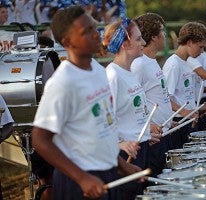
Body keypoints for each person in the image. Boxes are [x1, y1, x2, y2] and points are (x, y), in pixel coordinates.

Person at [32, 6, 141, 200]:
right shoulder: (62, 82)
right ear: (67, 42)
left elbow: (103, 134)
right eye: (86, 31)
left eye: (94, 27)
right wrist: (82, 178)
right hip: (78, 181)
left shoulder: (99, 71)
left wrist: (125, 167)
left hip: (107, 173)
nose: (96, 34)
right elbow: (40, 140)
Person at [103, 17, 159, 199]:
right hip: (123, 154)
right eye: (138, 39)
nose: (143, 42)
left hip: (139, 147)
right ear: (124, 45)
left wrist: (147, 134)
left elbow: (134, 112)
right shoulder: (112, 75)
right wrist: (119, 143)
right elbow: (103, 120)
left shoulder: (129, 72)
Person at [131, 13, 174, 177]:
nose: (165, 36)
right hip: (152, 139)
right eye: (162, 32)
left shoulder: (152, 61)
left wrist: (170, 120)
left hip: (164, 134)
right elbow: (132, 102)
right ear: (155, 37)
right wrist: (146, 128)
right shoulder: (139, 64)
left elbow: (157, 97)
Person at [162, 22, 206, 149]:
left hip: (189, 119)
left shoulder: (187, 62)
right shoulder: (173, 65)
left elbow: (183, 96)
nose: (202, 52)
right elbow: (165, 97)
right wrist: (184, 112)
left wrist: (197, 109)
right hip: (179, 123)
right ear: (189, 42)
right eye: (200, 47)